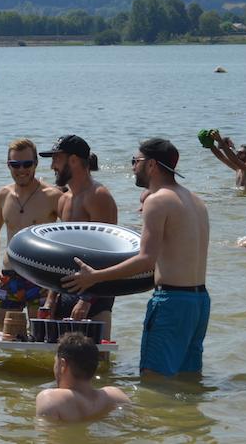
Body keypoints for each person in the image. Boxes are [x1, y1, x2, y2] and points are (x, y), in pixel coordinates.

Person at [64, 138, 210, 378]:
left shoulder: (157, 200)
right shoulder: (196, 201)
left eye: (136, 161)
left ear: (151, 165)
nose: (133, 166)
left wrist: (96, 277)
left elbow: (146, 259)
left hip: (171, 301)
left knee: (154, 380)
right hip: (200, 302)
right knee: (188, 380)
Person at [39, 135, 118, 339]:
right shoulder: (64, 200)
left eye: (56, 159)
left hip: (97, 293)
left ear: (73, 160)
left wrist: (86, 299)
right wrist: (50, 299)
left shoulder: (98, 196)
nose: (52, 166)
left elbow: (108, 253)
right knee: (63, 359)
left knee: (97, 361)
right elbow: (61, 254)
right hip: (66, 288)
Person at [0, 138, 61, 323]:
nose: (21, 170)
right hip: (10, 276)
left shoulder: (53, 196)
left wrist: (57, 282)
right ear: (8, 165)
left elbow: (69, 239)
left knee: (40, 337)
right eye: (15, 164)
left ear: (35, 163)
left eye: (27, 164)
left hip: (41, 277)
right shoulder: (4, 195)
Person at [35, 332, 129, 422]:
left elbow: (46, 436)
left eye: (55, 361)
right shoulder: (115, 396)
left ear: (63, 365)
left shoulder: (50, 399)